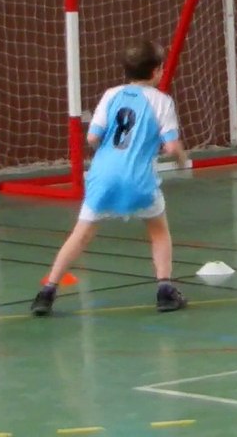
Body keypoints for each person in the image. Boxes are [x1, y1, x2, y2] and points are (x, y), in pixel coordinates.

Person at [30, 40, 188, 315]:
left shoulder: (111, 94)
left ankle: (47, 292)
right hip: (139, 179)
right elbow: (172, 146)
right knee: (158, 231)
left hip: (102, 176)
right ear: (157, 71)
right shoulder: (162, 101)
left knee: (80, 235)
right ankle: (165, 290)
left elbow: (93, 137)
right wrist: (182, 159)